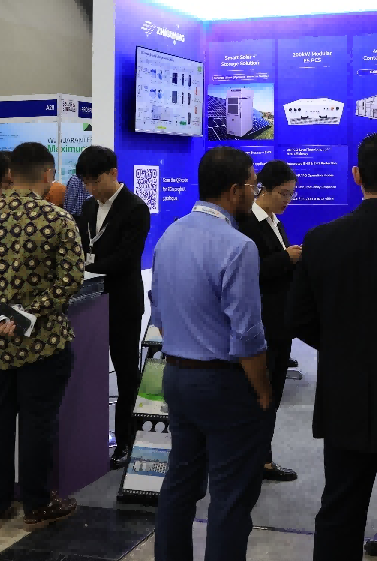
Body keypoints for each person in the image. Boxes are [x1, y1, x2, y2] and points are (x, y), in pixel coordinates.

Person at [290, 133, 377, 561]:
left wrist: (340, 344)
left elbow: (298, 318)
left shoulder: (320, 239)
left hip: (343, 394)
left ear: (356, 175)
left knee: (339, 508)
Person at [151, 147, 272, 561]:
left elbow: (160, 316)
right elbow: (247, 334)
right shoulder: (238, 246)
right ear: (235, 191)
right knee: (231, 494)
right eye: (253, 185)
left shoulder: (169, 236)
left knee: (180, 483)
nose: (254, 193)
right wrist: (263, 390)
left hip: (177, 376)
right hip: (224, 382)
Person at [0, 141, 82, 530]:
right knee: (38, 421)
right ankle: (36, 504)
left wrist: (7, 311)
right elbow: (71, 280)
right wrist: (30, 312)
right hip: (43, 339)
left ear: (10, 174)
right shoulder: (58, 219)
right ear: (48, 174)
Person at [74, 146, 150, 470]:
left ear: (113, 173)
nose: (91, 188)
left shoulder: (135, 208)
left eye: (95, 181)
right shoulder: (88, 207)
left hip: (122, 302)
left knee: (126, 374)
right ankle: (89, 436)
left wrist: (86, 268)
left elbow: (126, 259)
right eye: (86, 182)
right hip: (88, 301)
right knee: (88, 371)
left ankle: (125, 441)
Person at [237, 160, 302, 483]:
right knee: (258, 396)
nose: (287, 200)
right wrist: (285, 258)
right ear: (264, 189)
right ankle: (254, 460)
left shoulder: (276, 222)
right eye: (283, 194)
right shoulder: (247, 223)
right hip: (260, 324)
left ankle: (263, 458)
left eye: (291, 194)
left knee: (272, 394)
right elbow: (248, 270)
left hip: (279, 323)